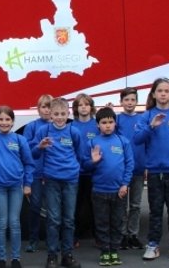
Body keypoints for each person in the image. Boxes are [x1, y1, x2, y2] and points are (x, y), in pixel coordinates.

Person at [134, 78, 169, 261]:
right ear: (153, 94)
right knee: (156, 210)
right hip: (153, 171)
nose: (163, 94)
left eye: (167, 91)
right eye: (160, 91)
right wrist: (151, 127)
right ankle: (153, 244)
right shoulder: (147, 115)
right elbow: (137, 139)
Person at [33, 98, 83, 268]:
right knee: (53, 219)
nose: (60, 117)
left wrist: (75, 169)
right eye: (56, 114)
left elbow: (80, 154)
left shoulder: (73, 132)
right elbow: (33, 154)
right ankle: (52, 255)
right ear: (50, 114)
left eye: (63, 114)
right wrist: (39, 147)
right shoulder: (43, 131)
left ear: (68, 114)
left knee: (68, 219)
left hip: (70, 180)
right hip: (52, 180)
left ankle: (67, 255)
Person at [82, 106, 134, 267]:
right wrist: (93, 161)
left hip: (119, 191)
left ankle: (114, 251)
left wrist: (125, 184)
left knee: (117, 222)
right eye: (104, 122)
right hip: (99, 191)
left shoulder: (122, 141)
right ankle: (105, 251)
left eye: (111, 122)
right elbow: (85, 165)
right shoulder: (92, 142)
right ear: (98, 125)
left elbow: (129, 164)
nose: (108, 125)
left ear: (115, 123)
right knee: (102, 223)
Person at [0, 106, 35, 268]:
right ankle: (1, 258)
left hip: (16, 187)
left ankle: (15, 258)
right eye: (0, 119)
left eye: (7, 119)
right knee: (1, 223)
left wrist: (27, 184)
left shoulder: (20, 140)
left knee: (14, 222)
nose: (4, 122)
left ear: (13, 122)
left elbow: (29, 163)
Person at [20, 94, 53, 253]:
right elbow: (26, 150)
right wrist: (38, 142)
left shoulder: (57, 127)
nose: (47, 110)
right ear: (38, 109)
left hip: (53, 175)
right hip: (36, 174)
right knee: (35, 207)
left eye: (49, 106)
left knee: (52, 209)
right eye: (44, 107)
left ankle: (50, 239)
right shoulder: (31, 126)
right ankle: (33, 239)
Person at [116, 87, 146, 251]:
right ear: (121, 102)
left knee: (135, 204)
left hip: (139, 168)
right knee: (121, 205)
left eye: (132, 100)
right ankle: (122, 235)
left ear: (136, 101)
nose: (129, 103)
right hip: (121, 169)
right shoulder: (117, 120)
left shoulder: (142, 119)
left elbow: (146, 142)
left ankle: (133, 235)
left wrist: (147, 164)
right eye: (126, 100)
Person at [71, 93, 98, 245]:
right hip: (76, 173)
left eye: (86, 104)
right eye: (80, 105)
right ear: (76, 108)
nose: (83, 107)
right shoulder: (71, 126)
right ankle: (74, 236)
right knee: (76, 205)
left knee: (95, 205)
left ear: (91, 107)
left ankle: (98, 236)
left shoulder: (96, 125)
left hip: (93, 172)